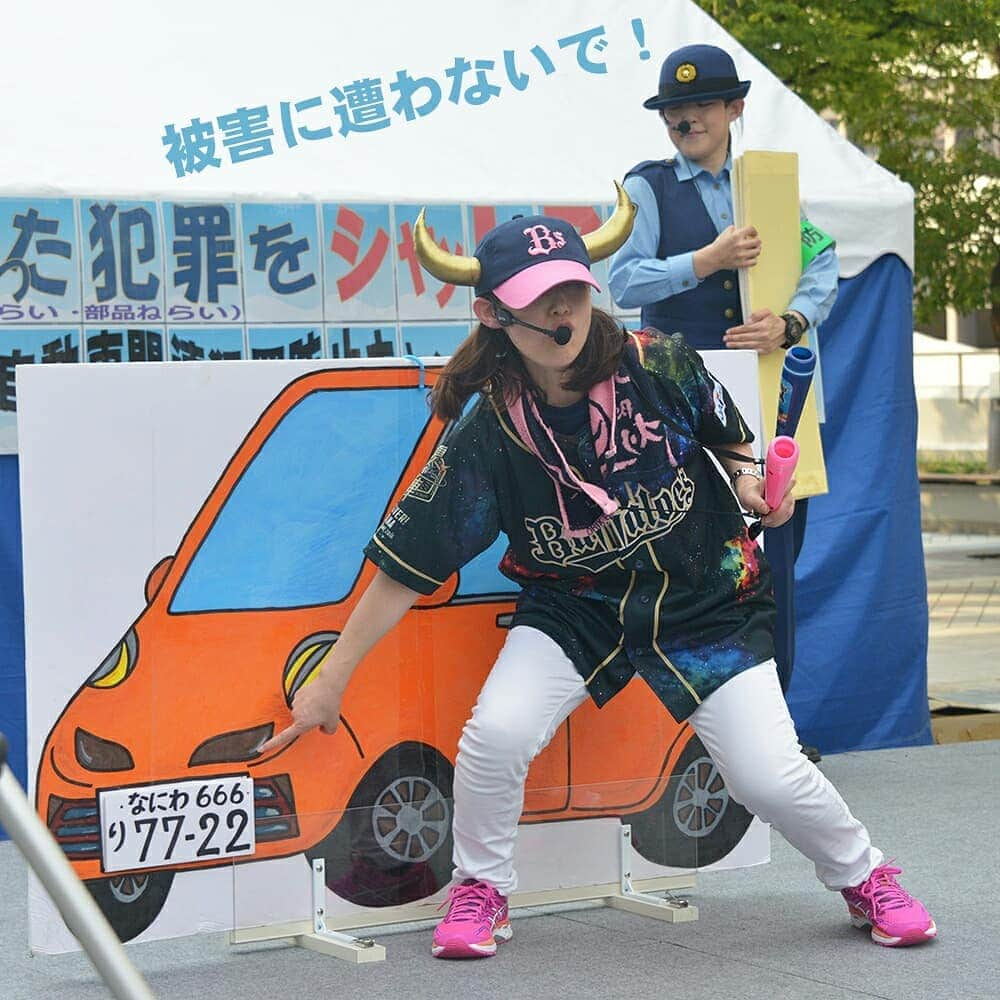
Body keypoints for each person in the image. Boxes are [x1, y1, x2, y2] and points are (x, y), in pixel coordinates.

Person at [260, 200, 935, 958]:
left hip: (704, 599)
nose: (563, 309)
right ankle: (481, 888)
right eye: (537, 298)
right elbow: (406, 563)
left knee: (767, 777)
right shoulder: (490, 428)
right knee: (495, 735)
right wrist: (331, 678)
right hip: (575, 605)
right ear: (492, 313)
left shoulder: (659, 363)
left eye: (574, 289)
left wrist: (752, 486)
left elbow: (733, 442)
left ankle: (866, 874)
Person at [609, 44, 839, 760]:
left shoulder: (766, 185)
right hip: (682, 409)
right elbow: (621, 283)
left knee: (776, 565)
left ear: (735, 108)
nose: (686, 117)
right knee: (690, 565)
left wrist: (791, 321)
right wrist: (704, 261)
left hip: (774, 397)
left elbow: (823, 259)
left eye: (701, 104)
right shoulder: (645, 189)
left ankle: (779, 737)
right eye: (674, 108)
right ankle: (689, 738)